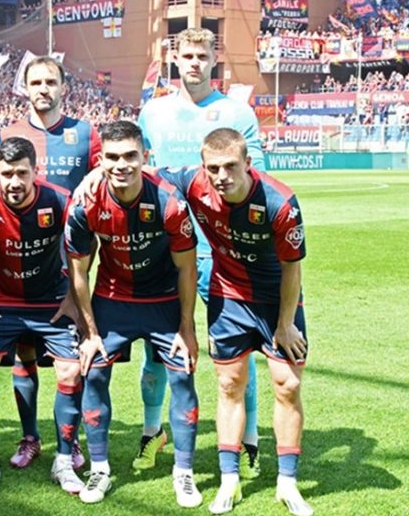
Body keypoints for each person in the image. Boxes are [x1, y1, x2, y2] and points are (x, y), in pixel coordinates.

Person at [156, 129, 311, 516]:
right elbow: (146, 172)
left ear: (248, 164)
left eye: (230, 166)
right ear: (203, 166)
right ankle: (229, 479)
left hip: (276, 300)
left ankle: (287, 483)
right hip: (228, 297)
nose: (221, 176)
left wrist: (286, 324)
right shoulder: (193, 182)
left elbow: (293, 269)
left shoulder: (279, 202)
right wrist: (96, 174)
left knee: (288, 385)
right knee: (229, 384)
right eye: (213, 168)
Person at [135, 27, 267, 478]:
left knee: (237, 351)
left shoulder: (236, 112)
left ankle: (249, 440)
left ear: (214, 59)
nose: (194, 63)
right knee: (157, 350)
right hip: (162, 251)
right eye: (187, 55)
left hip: (222, 252)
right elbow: (137, 169)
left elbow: (257, 175)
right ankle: (152, 432)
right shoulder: (153, 111)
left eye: (201, 56)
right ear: (175, 58)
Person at [65, 121, 201, 506]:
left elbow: (187, 268)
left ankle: (184, 472)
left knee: (182, 376)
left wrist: (187, 328)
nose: (121, 165)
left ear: (145, 157)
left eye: (130, 156)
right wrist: (90, 332)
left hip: (163, 301)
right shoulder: (86, 203)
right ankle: (99, 469)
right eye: (112, 157)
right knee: (92, 373)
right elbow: (79, 272)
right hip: (114, 299)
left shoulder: (169, 202)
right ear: (100, 160)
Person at [0, 55, 99, 469]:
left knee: (74, 362)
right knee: (24, 352)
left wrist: (77, 283)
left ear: (64, 87)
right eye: (36, 82)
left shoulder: (85, 133)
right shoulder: (7, 134)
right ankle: (29, 437)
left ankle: (71, 441)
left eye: (51, 81)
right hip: (14, 268)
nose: (43, 88)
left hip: (65, 271)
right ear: (25, 88)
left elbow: (99, 190)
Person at [0, 137, 83, 495]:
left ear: (35, 171)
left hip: (51, 300)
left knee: (71, 371)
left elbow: (84, 247)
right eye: (6, 174)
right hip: (0, 300)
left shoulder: (59, 200)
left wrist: (73, 297)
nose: (14, 182)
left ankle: (65, 457)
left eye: (22, 173)